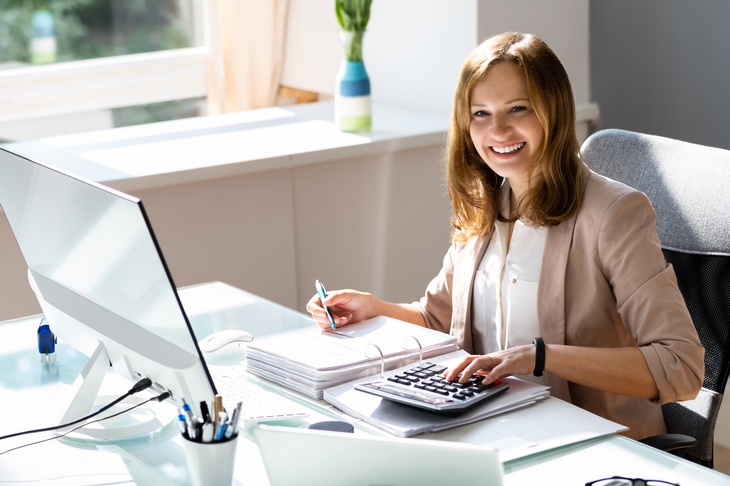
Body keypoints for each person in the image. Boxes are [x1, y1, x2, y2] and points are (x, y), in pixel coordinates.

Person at [306, 32, 704, 440]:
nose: (497, 130)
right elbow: (438, 320)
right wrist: (375, 308)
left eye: (517, 108)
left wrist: (538, 357)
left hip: (589, 445)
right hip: (491, 428)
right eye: (480, 113)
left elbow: (681, 366)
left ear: (554, 110)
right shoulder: (484, 204)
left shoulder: (612, 213)